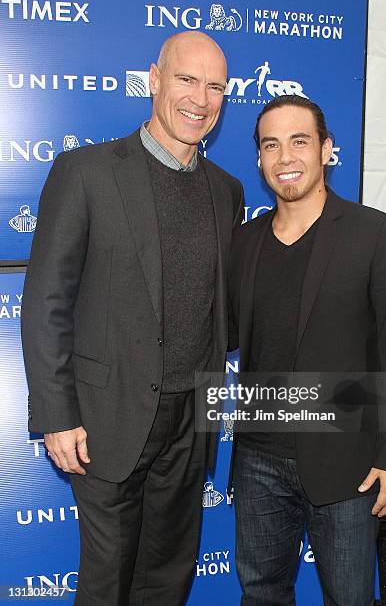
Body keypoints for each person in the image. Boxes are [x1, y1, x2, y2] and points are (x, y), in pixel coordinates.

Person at [21, 31, 244, 606]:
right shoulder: (86, 172)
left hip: (190, 421)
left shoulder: (227, 191)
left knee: (169, 575)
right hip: (104, 419)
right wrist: (56, 414)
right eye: (187, 79)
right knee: (107, 581)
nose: (201, 97)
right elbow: (47, 302)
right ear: (154, 79)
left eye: (215, 86)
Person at [227, 95, 386, 605]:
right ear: (260, 159)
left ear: (326, 150)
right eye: (271, 145)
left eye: (299, 141)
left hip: (347, 466)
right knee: (261, 594)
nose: (285, 157)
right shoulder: (244, 243)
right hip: (257, 461)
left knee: (350, 598)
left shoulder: (376, 234)